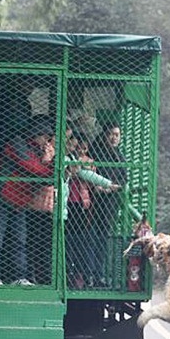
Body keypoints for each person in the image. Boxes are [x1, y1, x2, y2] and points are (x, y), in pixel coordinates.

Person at [0, 115, 55, 286]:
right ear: (36, 133)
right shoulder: (17, 144)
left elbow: (48, 178)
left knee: (20, 239)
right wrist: (47, 162)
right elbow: (34, 168)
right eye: (45, 137)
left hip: (20, 200)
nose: (46, 142)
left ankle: (19, 276)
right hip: (3, 196)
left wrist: (48, 161)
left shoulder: (39, 151)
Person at [62, 130, 119, 288]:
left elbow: (86, 174)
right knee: (66, 239)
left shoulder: (79, 160)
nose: (79, 150)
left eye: (83, 148)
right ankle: (66, 274)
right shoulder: (64, 158)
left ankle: (79, 275)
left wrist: (107, 184)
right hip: (67, 202)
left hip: (81, 204)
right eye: (75, 146)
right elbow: (79, 172)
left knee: (80, 239)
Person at [88, 121, 128, 286]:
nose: (114, 138)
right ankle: (87, 275)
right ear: (104, 134)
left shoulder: (119, 157)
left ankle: (99, 275)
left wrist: (109, 188)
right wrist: (97, 187)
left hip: (109, 202)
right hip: (91, 201)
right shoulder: (94, 151)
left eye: (117, 135)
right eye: (111, 134)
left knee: (102, 237)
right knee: (89, 236)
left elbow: (123, 179)